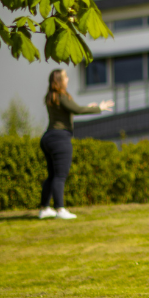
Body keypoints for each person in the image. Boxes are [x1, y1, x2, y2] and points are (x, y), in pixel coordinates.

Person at [39, 69, 113, 219]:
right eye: (65, 77)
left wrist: (88, 106)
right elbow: (78, 110)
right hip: (60, 138)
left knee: (52, 175)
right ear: (59, 81)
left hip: (48, 137)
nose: (68, 79)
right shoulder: (61, 96)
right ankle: (60, 210)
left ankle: (44, 208)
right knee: (60, 176)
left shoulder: (51, 96)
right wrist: (98, 108)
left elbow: (72, 109)